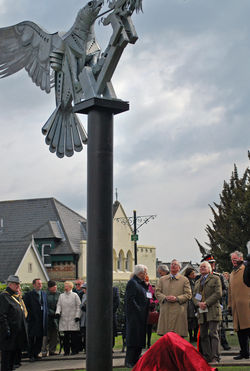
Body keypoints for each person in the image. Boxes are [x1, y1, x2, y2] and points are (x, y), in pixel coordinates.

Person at [193, 261, 222, 363]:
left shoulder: (215, 279)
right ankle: (207, 356)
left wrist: (206, 303)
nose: (202, 268)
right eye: (201, 267)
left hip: (212, 309)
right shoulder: (197, 282)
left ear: (209, 269)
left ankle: (215, 357)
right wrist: (198, 303)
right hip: (201, 311)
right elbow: (194, 296)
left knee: (213, 333)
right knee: (203, 334)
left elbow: (218, 293)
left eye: (204, 267)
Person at [200, 254, 231, 351]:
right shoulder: (200, 278)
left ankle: (224, 343)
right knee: (204, 329)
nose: (212, 265)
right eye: (210, 263)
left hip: (217, 304)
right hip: (203, 306)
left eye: (213, 263)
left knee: (219, 327)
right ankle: (206, 349)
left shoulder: (219, 276)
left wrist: (219, 294)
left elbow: (226, 289)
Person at [155, 259, 191, 338]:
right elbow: (157, 292)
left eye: (175, 264)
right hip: (166, 310)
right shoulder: (162, 279)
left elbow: (188, 294)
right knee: (166, 337)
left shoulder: (184, 280)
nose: (173, 266)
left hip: (178, 311)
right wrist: (165, 297)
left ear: (179, 268)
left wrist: (177, 298)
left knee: (178, 337)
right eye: (172, 264)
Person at [0, 275, 28, 371]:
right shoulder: (4, 296)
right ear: (10, 284)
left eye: (18, 284)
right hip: (9, 334)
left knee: (13, 360)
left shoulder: (15, 296)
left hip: (17, 334)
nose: (18, 286)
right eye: (16, 284)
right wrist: (6, 329)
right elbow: (2, 315)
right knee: (7, 360)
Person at [124, 264, 149, 368]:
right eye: (145, 273)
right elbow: (130, 300)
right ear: (140, 273)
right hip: (135, 316)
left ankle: (136, 359)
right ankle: (129, 360)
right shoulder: (132, 283)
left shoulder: (141, 284)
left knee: (139, 339)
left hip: (141, 316)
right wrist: (139, 310)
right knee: (133, 339)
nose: (146, 275)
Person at [228, 250, 250, 360]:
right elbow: (230, 291)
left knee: (249, 329)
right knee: (240, 332)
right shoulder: (232, 273)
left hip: (247, 306)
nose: (233, 262)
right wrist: (229, 305)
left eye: (235, 259)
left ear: (241, 258)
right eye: (232, 260)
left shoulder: (246, 268)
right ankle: (244, 352)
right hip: (236, 307)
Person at [23, 278, 48, 362]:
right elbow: (26, 307)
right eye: (38, 283)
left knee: (39, 338)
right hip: (33, 320)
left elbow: (45, 306)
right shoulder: (29, 295)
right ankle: (31, 355)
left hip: (41, 320)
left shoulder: (44, 294)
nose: (40, 285)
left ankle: (36, 353)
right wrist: (29, 317)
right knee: (32, 338)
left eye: (41, 283)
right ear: (34, 285)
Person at [56, 281, 81, 356]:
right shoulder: (61, 296)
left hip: (73, 318)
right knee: (65, 337)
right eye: (65, 286)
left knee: (74, 336)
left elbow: (78, 306)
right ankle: (66, 351)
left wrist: (77, 316)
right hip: (64, 318)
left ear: (70, 287)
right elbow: (59, 305)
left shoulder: (75, 295)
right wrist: (57, 312)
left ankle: (74, 350)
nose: (65, 287)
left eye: (67, 286)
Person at [42, 280, 60, 356]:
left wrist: (57, 312)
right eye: (54, 287)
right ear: (50, 288)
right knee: (45, 335)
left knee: (54, 335)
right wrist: (51, 312)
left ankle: (52, 350)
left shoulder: (59, 294)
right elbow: (44, 305)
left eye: (56, 286)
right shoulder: (44, 294)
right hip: (47, 317)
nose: (55, 288)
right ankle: (44, 351)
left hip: (55, 318)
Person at [184, 267, 198, 343]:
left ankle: (195, 336)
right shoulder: (187, 282)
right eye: (192, 274)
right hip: (189, 303)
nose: (194, 275)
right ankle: (191, 336)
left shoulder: (195, 281)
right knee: (190, 320)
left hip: (195, 302)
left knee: (196, 320)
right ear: (189, 275)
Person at [80, 283, 87, 352]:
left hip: (89, 318)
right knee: (84, 333)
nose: (83, 290)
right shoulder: (83, 295)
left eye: (84, 288)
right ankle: (85, 347)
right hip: (84, 316)